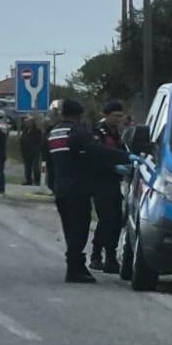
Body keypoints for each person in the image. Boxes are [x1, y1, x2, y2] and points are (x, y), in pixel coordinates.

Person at [45, 98, 132, 284]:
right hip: (78, 188)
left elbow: (49, 163)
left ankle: (76, 266)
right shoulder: (77, 132)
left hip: (61, 188)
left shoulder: (53, 133)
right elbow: (96, 151)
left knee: (70, 229)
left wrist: (53, 186)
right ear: (79, 115)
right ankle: (75, 269)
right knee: (80, 229)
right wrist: (125, 157)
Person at [89, 99, 128, 274]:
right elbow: (96, 157)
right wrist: (113, 166)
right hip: (100, 181)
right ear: (106, 115)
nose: (118, 119)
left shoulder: (117, 133)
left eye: (120, 116)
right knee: (107, 219)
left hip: (114, 181)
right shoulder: (98, 132)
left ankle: (110, 256)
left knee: (117, 220)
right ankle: (97, 255)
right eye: (115, 116)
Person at [19, 116, 44, 186]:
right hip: (26, 152)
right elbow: (22, 140)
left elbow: (39, 141)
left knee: (35, 167)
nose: (27, 124)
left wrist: (37, 149)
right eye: (26, 122)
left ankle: (37, 180)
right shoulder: (25, 130)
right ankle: (28, 180)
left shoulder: (37, 131)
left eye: (28, 122)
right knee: (27, 167)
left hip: (34, 152)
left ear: (32, 123)